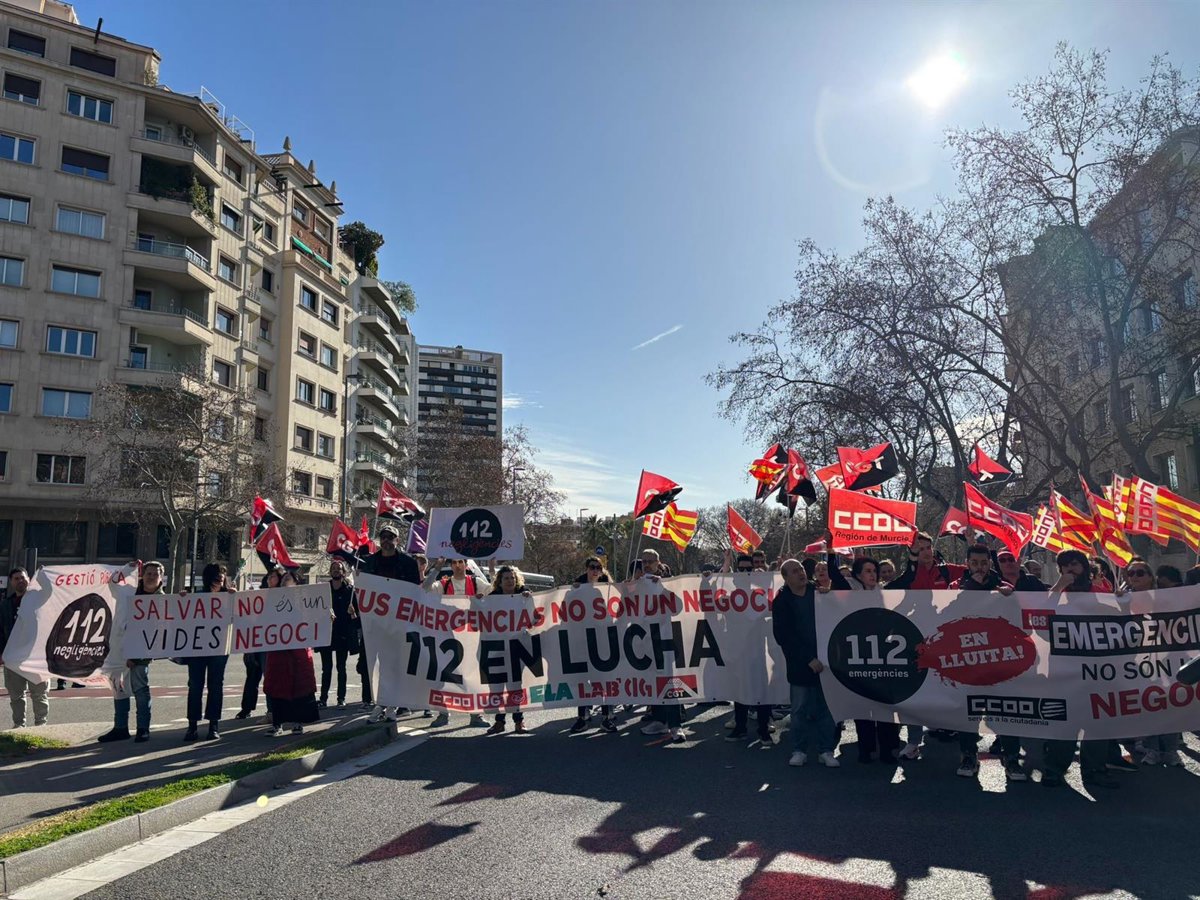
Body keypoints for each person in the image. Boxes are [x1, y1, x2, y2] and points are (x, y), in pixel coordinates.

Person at [1042, 549, 1123, 789]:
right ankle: (1054, 770)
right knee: (1064, 723)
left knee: (1097, 723)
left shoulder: (1100, 592)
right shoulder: (1058, 592)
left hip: (1097, 669)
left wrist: (1119, 601)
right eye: (1064, 566)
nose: (1070, 570)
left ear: (1085, 567)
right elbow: (1041, 611)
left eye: (1075, 564)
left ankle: (1094, 770)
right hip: (1065, 670)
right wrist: (1059, 585)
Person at [950, 544, 1023, 781]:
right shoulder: (955, 587)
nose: (980, 567)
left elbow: (1019, 617)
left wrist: (1009, 599)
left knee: (1006, 711)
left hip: (1000, 661)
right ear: (967, 563)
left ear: (989, 564)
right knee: (967, 712)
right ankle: (968, 755)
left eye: (984, 563)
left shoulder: (1004, 588)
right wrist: (970, 587)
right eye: (975, 563)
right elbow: (946, 613)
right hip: (968, 661)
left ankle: (1011, 757)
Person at [772, 559, 838, 768]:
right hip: (800, 664)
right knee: (799, 709)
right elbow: (783, 636)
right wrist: (808, 659)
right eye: (794, 571)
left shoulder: (818, 592)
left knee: (826, 708)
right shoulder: (782, 600)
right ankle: (799, 750)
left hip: (825, 660)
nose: (800, 573)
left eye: (800, 569)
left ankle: (826, 750)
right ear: (786, 578)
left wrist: (831, 597)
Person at [359, 524, 422, 719]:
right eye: (383, 536)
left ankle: (393, 704)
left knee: (395, 664)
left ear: (397, 540)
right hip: (375, 623)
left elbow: (415, 592)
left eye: (390, 536)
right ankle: (380, 703)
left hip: (398, 623)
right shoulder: (368, 562)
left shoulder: (408, 563)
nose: (386, 540)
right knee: (375, 665)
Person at [98, 561, 162, 743]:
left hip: (141, 653)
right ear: (143, 575)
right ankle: (120, 728)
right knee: (119, 689)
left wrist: (136, 656)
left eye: (155, 574)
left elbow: (159, 632)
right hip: (118, 649)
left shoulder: (163, 600)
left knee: (141, 690)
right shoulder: (128, 591)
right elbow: (112, 582)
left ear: (160, 578)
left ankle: (143, 729)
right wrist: (128, 568)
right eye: (148, 573)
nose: (151, 577)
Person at [846, 557, 902, 764]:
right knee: (863, 706)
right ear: (858, 575)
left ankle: (888, 749)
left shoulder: (886, 593)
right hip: (861, 655)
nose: (872, 574)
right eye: (867, 571)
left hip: (886, 655)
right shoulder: (849, 595)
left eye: (874, 570)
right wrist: (832, 551)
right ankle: (866, 749)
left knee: (885, 705)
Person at [422, 557, 488, 727]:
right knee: (444, 676)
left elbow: (495, 594)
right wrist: (436, 569)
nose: (458, 566)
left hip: (471, 637)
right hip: (448, 637)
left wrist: (492, 570)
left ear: (466, 565)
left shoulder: (475, 582)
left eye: (461, 562)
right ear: (450, 565)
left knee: (473, 676)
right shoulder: (443, 584)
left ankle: (476, 715)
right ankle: (443, 713)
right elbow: (424, 588)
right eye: (454, 563)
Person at [637, 552, 685, 743]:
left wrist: (663, 587)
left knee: (669, 682)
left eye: (651, 561)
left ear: (658, 563)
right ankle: (659, 719)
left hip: (665, 638)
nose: (647, 565)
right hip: (645, 640)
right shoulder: (637, 583)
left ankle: (675, 725)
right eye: (644, 561)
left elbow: (678, 607)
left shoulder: (667, 582)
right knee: (652, 680)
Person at [727, 552, 772, 744]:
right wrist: (724, 566)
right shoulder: (729, 593)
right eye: (742, 569)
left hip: (759, 650)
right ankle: (740, 727)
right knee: (740, 691)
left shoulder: (760, 592)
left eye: (749, 569)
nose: (745, 573)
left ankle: (764, 730)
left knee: (762, 690)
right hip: (738, 650)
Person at [569, 557, 617, 734]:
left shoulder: (609, 589)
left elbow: (621, 606)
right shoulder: (576, 588)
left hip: (603, 639)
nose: (596, 570)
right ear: (586, 569)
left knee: (604, 680)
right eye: (592, 567)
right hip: (582, 639)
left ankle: (607, 718)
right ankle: (583, 717)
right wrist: (572, 593)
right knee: (583, 680)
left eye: (599, 567)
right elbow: (562, 611)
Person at [185, 563, 231, 742]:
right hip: (197, 649)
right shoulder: (196, 597)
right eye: (215, 579)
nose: (218, 582)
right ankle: (192, 726)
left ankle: (213, 725)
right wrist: (181, 600)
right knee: (195, 686)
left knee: (216, 686)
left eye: (221, 578)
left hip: (219, 649)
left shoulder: (229, 598)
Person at [485, 566, 532, 735]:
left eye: (512, 578)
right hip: (496, 646)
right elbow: (479, 612)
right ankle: (499, 721)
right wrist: (476, 601)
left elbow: (533, 613)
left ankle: (519, 721)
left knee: (515, 685)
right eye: (506, 578)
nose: (510, 581)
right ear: (500, 581)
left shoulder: (523, 594)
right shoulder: (492, 598)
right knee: (497, 685)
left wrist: (527, 595)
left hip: (517, 646)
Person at [1, 567, 49, 728]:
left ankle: (41, 726)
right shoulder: (6, 605)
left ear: (29, 579)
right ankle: (19, 726)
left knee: (39, 694)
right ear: (11, 582)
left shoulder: (38, 599)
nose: (20, 581)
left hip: (36, 655)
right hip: (13, 656)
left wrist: (43, 575)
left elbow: (50, 591)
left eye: (23, 577)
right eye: (16, 578)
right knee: (16, 695)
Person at [236, 564, 284, 721]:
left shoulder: (284, 597)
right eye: (269, 576)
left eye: (274, 576)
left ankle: (272, 711)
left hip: (272, 644)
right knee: (252, 676)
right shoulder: (259, 596)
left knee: (269, 677)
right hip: (257, 641)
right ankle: (246, 708)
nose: (270, 579)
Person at [319, 560, 359, 711]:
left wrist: (353, 613)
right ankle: (323, 698)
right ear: (330, 571)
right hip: (327, 634)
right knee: (326, 668)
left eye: (339, 568)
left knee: (341, 668)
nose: (336, 570)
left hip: (342, 634)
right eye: (333, 568)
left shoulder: (350, 591)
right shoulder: (323, 590)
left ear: (343, 572)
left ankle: (341, 698)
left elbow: (357, 616)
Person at [264, 643, 319, 736]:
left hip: (298, 650)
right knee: (277, 687)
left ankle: (297, 722)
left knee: (299, 687)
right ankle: (277, 724)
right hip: (277, 652)